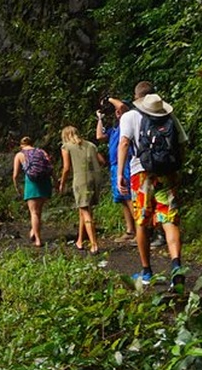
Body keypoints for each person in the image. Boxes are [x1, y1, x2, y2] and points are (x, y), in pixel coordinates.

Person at [117, 83, 189, 291]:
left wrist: (120, 173)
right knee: (169, 219)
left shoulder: (129, 116)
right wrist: (176, 171)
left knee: (142, 221)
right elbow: (181, 143)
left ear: (137, 98)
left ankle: (147, 271)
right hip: (167, 174)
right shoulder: (168, 115)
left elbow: (123, 143)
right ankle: (176, 268)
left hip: (141, 174)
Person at [58, 125, 105, 255]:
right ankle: (79, 240)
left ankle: (94, 244)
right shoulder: (90, 145)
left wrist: (62, 182)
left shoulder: (66, 147)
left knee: (85, 211)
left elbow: (66, 168)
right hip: (94, 178)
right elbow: (102, 160)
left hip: (80, 179)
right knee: (83, 209)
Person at [96, 97, 136, 244]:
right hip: (114, 165)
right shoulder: (115, 129)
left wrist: (108, 98)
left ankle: (141, 232)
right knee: (122, 199)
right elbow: (99, 136)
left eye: (119, 110)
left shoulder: (129, 122)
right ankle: (130, 230)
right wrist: (100, 118)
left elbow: (123, 107)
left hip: (125, 163)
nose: (117, 112)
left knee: (129, 197)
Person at [13, 136, 53, 247]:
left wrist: (17, 187)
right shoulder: (41, 151)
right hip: (45, 183)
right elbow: (50, 167)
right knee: (39, 211)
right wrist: (56, 182)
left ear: (21, 145)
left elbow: (15, 175)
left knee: (34, 212)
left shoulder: (20, 155)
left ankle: (38, 240)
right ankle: (33, 231)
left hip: (32, 184)